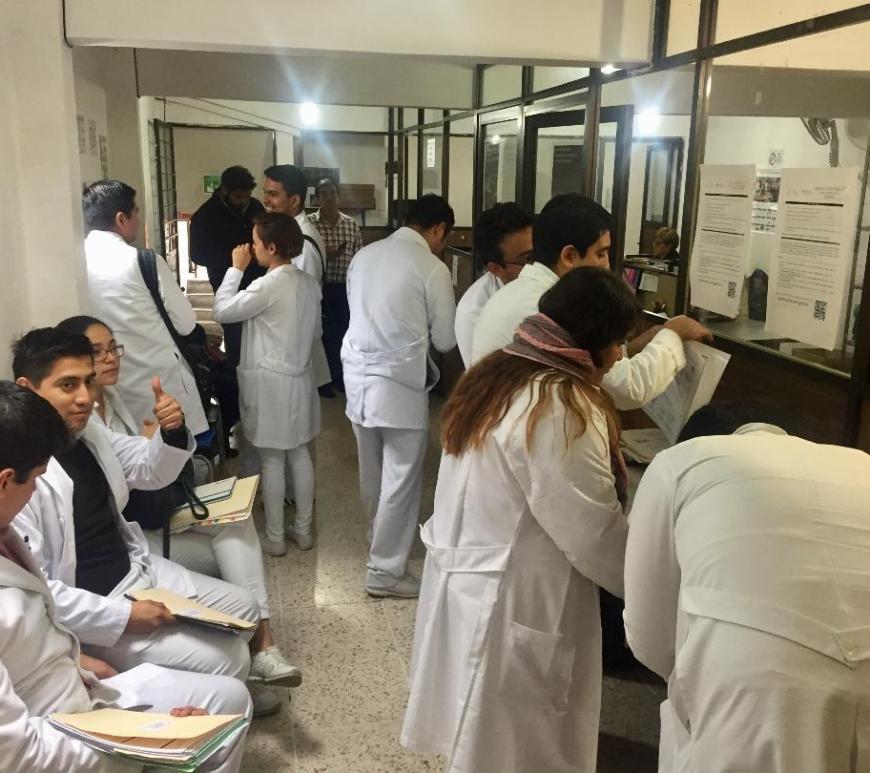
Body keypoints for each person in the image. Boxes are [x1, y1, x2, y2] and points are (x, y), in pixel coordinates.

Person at [402, 267, 635, 772]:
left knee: (482, 735)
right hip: (515, 600)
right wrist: (654, 584)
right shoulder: (561, 405)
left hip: (474, 582)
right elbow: (593, 535)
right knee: (516, 747)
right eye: (618, 343)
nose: (620, 356)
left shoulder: (501, 370)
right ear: (593, 339)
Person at [10, 328, 295, 717]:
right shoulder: (21, 475)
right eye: (68, 385)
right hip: (98, 605)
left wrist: (172, 432)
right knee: (228, 658)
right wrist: (124, 617)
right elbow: (42, 593)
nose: (85, 397)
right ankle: (208, 699)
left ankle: (216, 687)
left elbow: (148, 468)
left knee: (244, 610)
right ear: (26, 388)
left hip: (134, 568)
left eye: (88, 382)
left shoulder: (87, 432)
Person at [0, 381, 252, 772]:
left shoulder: (8, 528)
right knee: (222, 683)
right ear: (4, 482)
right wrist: (142, 742)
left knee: (230, 700)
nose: (85, 396)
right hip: (60, 728)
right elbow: (18, 755)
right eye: (34, 480)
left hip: (78, 685)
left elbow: (37, 626)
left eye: (88, 381)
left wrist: (80, 664)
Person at [624, 404, 870, 772]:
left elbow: (648, 634)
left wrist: (690, 672)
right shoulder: (859, 463)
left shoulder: (680, 462)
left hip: (759, 683)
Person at [471, 193, 712, 409]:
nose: (606, 266)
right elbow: (629, 389)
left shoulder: (516, 293)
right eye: (601, 253)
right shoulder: (554, 308)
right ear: (569, 256)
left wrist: (644, 341)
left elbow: (593, 360)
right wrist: (673, 334)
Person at [342, 194, 457, 598]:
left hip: (357, 377)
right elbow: (445, 339)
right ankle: (386, 571)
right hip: (399, 388)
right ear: (439, 229)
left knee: (372, 471)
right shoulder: (432, 267)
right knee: (401, 478)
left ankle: (378, 541)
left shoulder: (364, 255)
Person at [212, 213, 321, 555]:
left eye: (256, 242)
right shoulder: (307, 283)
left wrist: (235, 269)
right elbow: (315, 332)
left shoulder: (267, 285)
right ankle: (303, 531)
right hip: (299, 379)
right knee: (300, 456)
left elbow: (222, 311)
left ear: (272, 248)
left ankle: (275, 538)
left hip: (272, 385)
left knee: (272, 460)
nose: (252, 247)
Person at [82, 180, 208, 436]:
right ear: (121, 219)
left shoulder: (76, 262)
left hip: (109, 386)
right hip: (161, 385)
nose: (138, 220)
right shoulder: (142, 261)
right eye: (136, 212)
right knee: (172, 452)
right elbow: (186, 324)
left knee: (126, 453)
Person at [262, 164, 333, 395]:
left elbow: (301, 308)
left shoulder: (303, 244)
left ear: (294, 200)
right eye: (265, 192)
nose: (266, 200)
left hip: (293, 355)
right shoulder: (290, 236)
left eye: (273, 194)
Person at [189, 165, 267, 368]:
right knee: (236, 340)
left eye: (247, 196)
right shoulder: (205, 216)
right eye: (239, 196)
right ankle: (235, 379)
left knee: (261, 339)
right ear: (224, 190)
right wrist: (235, 259)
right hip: (228, 286)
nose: (244, 201)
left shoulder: (255, 206)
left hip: (258, 282)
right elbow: (197, 255)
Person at [454, 202, 534, 367]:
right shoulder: (473, 311)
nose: (537, 265)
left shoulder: (551, 280)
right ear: (495, 268)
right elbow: (482, 377)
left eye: (538, 253)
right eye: (527, 259)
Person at [309, 177, 364, 392]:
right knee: (320, 334)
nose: (329, 198)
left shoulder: (350, 223)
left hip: (344, 288)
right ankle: (324, 381)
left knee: (343, 332)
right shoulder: (310, 224)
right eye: (324, 194)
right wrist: (326, 254)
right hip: (319, 287)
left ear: (338, 197)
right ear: (317, 199)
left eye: (333, 193)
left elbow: (358, 255)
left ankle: (340, 378)